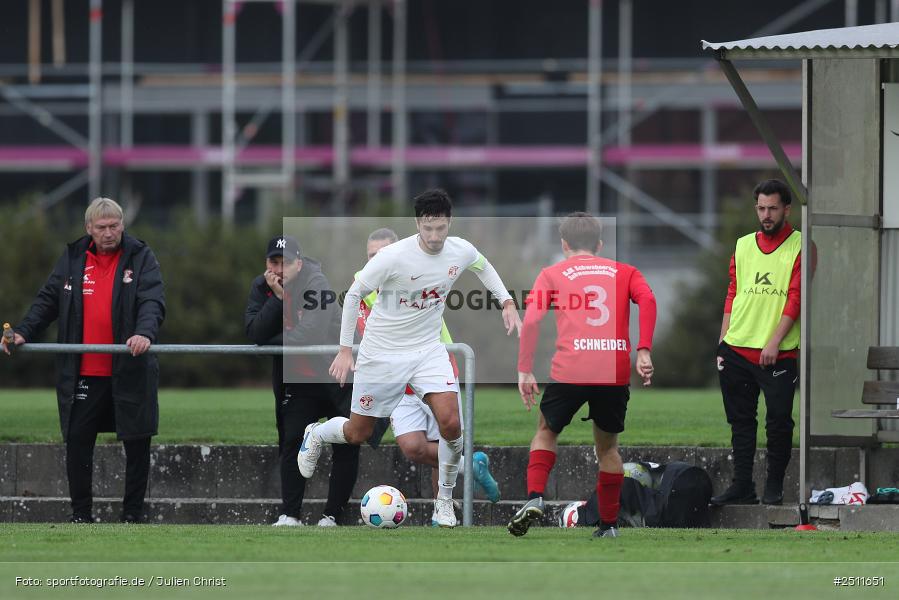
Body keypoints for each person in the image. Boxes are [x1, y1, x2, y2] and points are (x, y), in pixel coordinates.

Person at [299, 188, 521, 528]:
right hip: (381, 354)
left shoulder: (460, 250)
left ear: (449, 223)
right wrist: (345, 350)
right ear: (417, 224)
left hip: (428, 350)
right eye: (427, 228)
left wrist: (506, 301)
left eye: (440, 228)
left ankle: (443, 501)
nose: (434, 236)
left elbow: (483, 265)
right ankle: (316, 433)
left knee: (451, 423)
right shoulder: (393, 257)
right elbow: (355, 294)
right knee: (358, 432)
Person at [2, 197, 165, 524]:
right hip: (83, 372)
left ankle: (132, 515)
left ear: (123, 225)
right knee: (78, 442)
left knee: (137, 442)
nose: (109, 233)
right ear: (89, 228)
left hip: (129, 368)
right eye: (102, 227)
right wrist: (23, 331)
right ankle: (81, 515)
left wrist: (144, 332)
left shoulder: (141, 256)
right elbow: (47, 301)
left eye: (114, 226)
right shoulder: (73, 257)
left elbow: (152, 301)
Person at [509, 212, 656, 539]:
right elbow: (648, 299)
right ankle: (609, 526)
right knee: (608, 448)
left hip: (571, 368)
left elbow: (531, 320)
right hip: (613, 369)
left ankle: (535, 497)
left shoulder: (551, 273)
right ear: (599, 244)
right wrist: (644, 349)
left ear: (564, 244)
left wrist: (524, 368)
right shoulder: (626, 271)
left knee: (546, 431)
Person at [359, 228, 501, 521]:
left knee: (446, 436)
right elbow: (369, 332)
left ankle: (441, 513)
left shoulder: (417, 275)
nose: (378, 260)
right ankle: (470, 466)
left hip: (435, 370)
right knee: (412, 447)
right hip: (399, 381)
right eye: (372, 255)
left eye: (383, 253)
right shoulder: (363, 286)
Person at [245, 235, 359, 527]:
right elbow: (254, 333)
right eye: (273, 262)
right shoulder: (263, 286)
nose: (279, 269)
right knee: (292, 441)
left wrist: (270, 341)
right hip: (299, 382)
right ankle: (290, 515)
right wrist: (278, 299)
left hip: (336, 377)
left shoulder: (317, 283)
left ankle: (332, 516)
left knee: (346, 443)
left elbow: (309, 335)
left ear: (299, 262)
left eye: (286, 262)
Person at [711, 179, 801, 507]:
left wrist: (774, 341)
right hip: (736, 349)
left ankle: (774, 487)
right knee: (740, 422)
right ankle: (742, 486)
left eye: (772, 208)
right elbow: (733, 292)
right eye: (761, 208)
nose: (766, 215)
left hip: (778, 353)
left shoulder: (801, 245)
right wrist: (723, 340)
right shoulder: (743, 245)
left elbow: (796, 298)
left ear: (786, 209)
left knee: (779, 422)